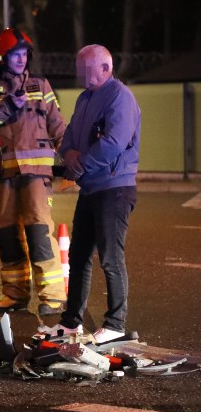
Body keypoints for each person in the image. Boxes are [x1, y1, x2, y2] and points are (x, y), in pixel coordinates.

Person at [38, 44, 141, 344]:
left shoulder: (120, 97)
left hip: (114, 189)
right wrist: (68, 155)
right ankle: (71, 323)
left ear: (105, 69)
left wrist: (79, 164)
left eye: (84, 68)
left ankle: (115, 324)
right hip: (92, 188)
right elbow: (69, 135)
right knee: (80, 256)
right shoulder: (85, 98)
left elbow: (113, 142)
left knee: (110, 257)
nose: (78, 74)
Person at [0, 28, 67, 316]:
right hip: (3, 175)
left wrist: (74, 157)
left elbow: (58, 126)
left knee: (39, 231)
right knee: (7, 234)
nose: (21, 60)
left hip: (37, 173)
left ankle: (52, 296)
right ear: (3, 58)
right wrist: (8, 104)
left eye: (25, 54)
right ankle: (14, 295)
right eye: (15, 55)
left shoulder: (41, 85)